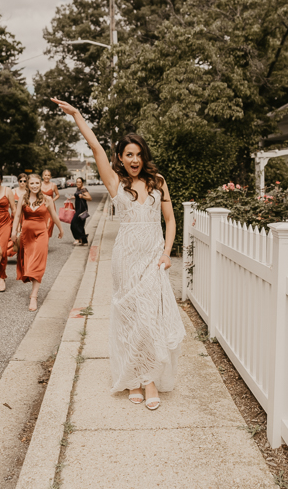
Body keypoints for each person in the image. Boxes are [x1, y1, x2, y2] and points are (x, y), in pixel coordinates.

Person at [52, 98, 185, 411]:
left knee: (149, 318)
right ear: (121, 159)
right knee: (129, 318)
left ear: (144, 156)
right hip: (126, 259)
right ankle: (134, 378)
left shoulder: (158, 182)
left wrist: (166, 253)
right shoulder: (115, 183)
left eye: (139, 154)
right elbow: (95, 146)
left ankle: (149, 378)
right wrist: (77, 115)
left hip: (152, 258)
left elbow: (170, 221)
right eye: (129, 155)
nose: (135, 160)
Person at [11, 173, 64, 311]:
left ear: (40, 184)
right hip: (26, 235)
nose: (34, 186)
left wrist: (61, 229)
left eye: (37, 183)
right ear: (28, 185)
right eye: (32, 183)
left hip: (41, 234)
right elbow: (17, 216)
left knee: (38, 263)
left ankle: (33, 296)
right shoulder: (23, 198)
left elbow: (54, 216)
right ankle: (33, 292)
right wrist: (13, 232)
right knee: (29, 263)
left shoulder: (47, 199)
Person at [70, 176, 92, 245]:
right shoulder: (78, 189)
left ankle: (79, 238)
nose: (78, 183)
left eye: (79, 182)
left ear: (82, 183)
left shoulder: (84, 189)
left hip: (82, 209)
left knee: (73, 224)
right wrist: (72, 197)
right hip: (78, 208)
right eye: (77, 182)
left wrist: (82, 196)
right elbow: (78, 197)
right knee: (80, 225)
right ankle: (84, 241)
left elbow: (89, 198)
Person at [41, 169, 61, 237]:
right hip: (41, 206)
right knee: (42, 224)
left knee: (50, 224)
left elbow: (58, 195)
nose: (47, 177)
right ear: (42, 176)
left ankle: (46, 241)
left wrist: (52, 200)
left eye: (48, 175)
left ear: (50, 177)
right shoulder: (39, 184)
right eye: (45, 175)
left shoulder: (53, 185)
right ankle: (42, 240)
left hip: (50, 207)